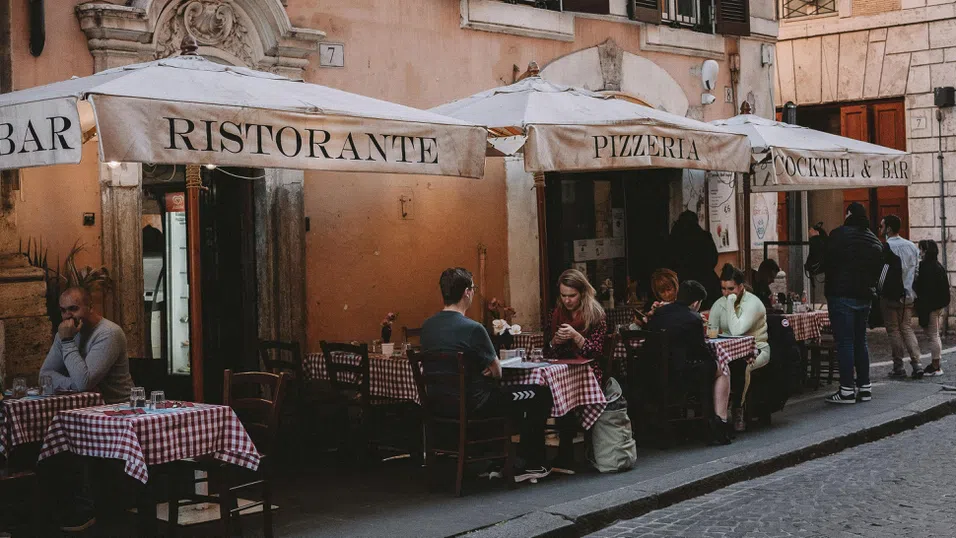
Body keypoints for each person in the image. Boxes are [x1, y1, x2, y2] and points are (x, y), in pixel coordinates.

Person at [421, 268, 553, 483]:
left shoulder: (427, 328)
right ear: (467, 292)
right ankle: (531, 462)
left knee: (508, 397)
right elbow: (498, 372)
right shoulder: (473, 329)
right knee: (539, 394)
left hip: (439, 404)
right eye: (473, 288)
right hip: (477, 404)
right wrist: (490, 368)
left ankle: (498, 460)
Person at [808, 202, 884, 404]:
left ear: (848, 214)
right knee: (861, 341)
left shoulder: (839, 234)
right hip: (865, 297)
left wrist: (817, 240)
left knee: (845, 342)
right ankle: (865, 387)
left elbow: (826, 258)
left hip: (842, 296)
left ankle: (847, 390)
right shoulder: (874, 240)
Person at [646, 280, 732, 445]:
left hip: (654, 373)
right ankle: (720, 421)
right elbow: (700, 352)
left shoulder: (659, 313)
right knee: (722, 368)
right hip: (681, 375)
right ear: (695, 303)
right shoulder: (693, 318)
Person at [40, 287, 132, 405]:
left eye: (73, 309)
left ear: (90, 307)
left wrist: (68, 341)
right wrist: (74, 385)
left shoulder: (109, 333)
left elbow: (84, 383)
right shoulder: (63, 333)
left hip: (116, 408)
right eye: (63, 310)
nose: (68, 316)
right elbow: (44, 376)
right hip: (82, 407)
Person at [707, 263, 770, 432]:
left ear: (741, 287)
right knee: (716, 366)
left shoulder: (753, 303)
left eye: (730, 289)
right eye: (723, 289)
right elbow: (710, 329)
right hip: (730, 351)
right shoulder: (718, 303)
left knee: (744, 366)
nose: (726, 293)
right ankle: (716, 413)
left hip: (757, 348)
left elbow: (737, 330)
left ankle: (738, 408)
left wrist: (730, 303)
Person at [544, 269, 609, 385]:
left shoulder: (595, 315)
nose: (567, 300)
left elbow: (596, 354)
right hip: (560, 372)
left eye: (572, 296)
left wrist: (576, 336)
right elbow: (546, 354)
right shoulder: (555, 314)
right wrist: (554, 342)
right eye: (563, 295)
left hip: (587, 373)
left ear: (583, 293)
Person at [879, 215, 924, 379]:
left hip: (891, 296)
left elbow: (882, 273)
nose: (881, 229)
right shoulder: (911, 246)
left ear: (889, 228)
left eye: (882, 226)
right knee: (906, 328)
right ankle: (917, 363)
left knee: (894, 330)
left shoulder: (886, 247)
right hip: (908, 294)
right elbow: (917, 271)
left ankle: (898, 367)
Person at [666, 210, 721, 310]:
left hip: (681, 281)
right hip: (706, 281)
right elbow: (713, 259)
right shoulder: (704, 236)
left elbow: (669, 260)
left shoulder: (674, 237)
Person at [914, 240, 950, 376]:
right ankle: (935, 364)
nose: (920, 252)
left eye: (921, 250)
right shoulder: (938, 266)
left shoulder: (924, 267)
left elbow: (923, 288)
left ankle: (936, 365)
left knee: (933, 336)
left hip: (930, 307)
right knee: (933, 335)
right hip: (937, 305)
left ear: (925, 251)